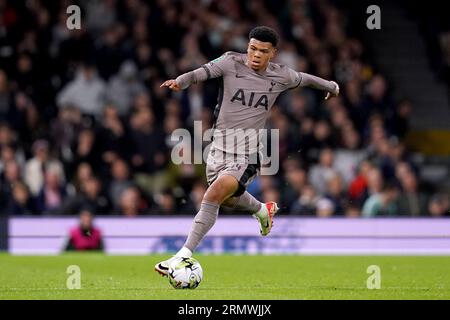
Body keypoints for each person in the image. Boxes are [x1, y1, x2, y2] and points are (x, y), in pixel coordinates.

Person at [155, 26, 339, 276]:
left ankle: (181, 256)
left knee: (214, 194)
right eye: (252, 48)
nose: (255, 55)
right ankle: (262, 210)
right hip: (218, 150)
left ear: (273, 53)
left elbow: (304, 78)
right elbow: (202, 72)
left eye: (263, 51)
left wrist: (331, 86)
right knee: (227, 199)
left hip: (248, 153)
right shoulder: (231, 61)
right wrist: (181, 81)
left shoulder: (280, 75)